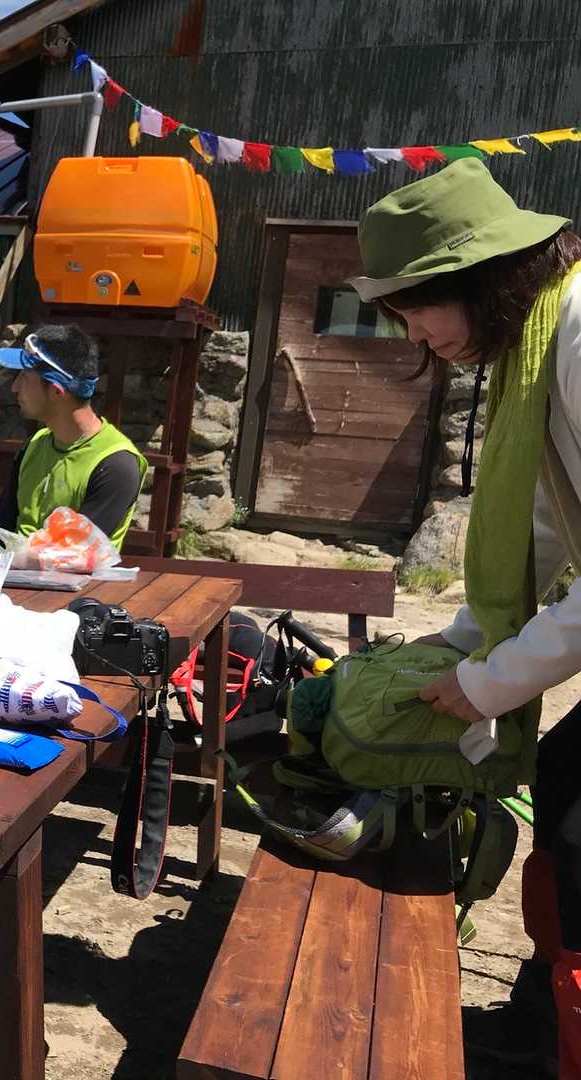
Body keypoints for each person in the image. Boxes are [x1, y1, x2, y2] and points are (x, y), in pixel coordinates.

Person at [350, 157, 581, 1077]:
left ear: (485, 276)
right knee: (564, 774)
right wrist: (465, 642)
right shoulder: (539, 344)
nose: (414, 333)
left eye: (418, 308)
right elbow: (542, 525)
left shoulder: (577, 336)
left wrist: (492, 682)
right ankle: (547, 1026)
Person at [0, 323, 146, 551]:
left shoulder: (116, 465)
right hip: (13, 571)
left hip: (68, 575)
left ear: (56, 391)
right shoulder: (35, 444)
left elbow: (71, 555)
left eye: (24, 376)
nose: (15, 387)